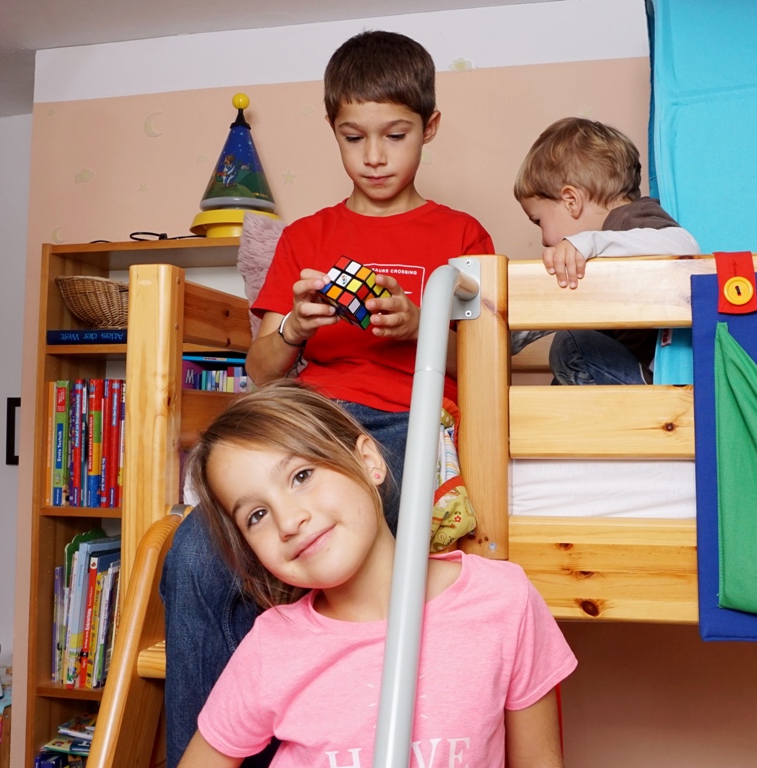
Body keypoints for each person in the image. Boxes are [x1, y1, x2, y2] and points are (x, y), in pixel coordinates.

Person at [161, 29, 495, 768]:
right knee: (192, 555)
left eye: (395, 135)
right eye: (354, 137)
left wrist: (420, 326)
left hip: (412, 425)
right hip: (310, 425)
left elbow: (486, 363)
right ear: (332, 131)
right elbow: (261, 371)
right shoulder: (308, 236)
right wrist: (292, 325)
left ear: (429, 128)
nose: (374, 156)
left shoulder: (462, 232)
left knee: (366, 524)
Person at [176, 381, 577, 767]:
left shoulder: (503, 599)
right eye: (256, 515)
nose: (289, 521)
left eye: (301, 476)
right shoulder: (271, 645)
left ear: (369, 461)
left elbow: (538, 760)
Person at [512, 117, 700, 385]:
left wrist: (591, 242)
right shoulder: (601, 253)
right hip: (633, 372)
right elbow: (565, 303)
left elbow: (685, 246)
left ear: (571, 201)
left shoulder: (627, 219)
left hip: (663, 386)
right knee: (563, 375)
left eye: (539, 221)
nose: (543, 240)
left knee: (573, 345)